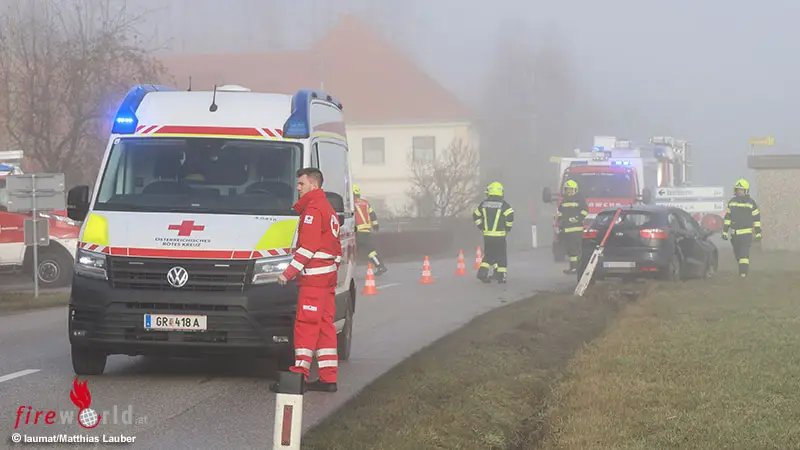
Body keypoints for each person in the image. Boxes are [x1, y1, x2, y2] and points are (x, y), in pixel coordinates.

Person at [270, 167, 342, 393]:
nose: (298, 188)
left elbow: (308, 248)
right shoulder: (329, 210)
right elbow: (336, 251)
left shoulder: (313, 210)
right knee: (324, 328)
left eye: (301, 184)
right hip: (327, 280)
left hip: (313, 282)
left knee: (306, 325)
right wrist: (329, 270)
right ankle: (328, 378)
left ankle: (297, 377)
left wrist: (287, 274)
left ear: (314, 184)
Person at [472, 181, 514, 283]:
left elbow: (475, 215)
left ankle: (482, 272)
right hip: (500, 236)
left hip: (487, 236)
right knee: (501, 255)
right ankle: (501, 276)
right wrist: (507, 228)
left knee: (489, 254)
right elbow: (510, 216)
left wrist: (481, 226)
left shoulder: (484, 204)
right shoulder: (504, 205)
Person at [722, 178, 761, 278]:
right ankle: (742, 270)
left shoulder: (751, 203)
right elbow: (728, 218)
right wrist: (725, 231)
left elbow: (756, 219)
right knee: (738, 254)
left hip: (746, 234)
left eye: (741, 190)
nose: (739, 192)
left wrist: (758, 232)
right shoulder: (732, 202)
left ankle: (743, 274)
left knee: (744, 254)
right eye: (738, 190)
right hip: (734, 235)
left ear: (746, 191)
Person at [353, 185, 388, 275]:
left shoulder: (351, 204)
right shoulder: (366, 203)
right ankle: (380, 265)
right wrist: (375, 226)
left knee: (350, 251)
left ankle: (347, 271)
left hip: (357, 232)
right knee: (370, 251)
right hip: (366, 231)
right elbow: (372, 215)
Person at [557, 179, 589, 274]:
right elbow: (560, 212)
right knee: (570, 251)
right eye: (567, 189)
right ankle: (573, 268)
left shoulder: (579, 199)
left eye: (571, 189)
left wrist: (576, 218)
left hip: (576, 229)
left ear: (575, 190)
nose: (569, 191)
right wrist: (560, 220)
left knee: (575, 250)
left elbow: (585, 210)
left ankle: (575, 268)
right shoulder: (564, 200)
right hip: (566, 230)